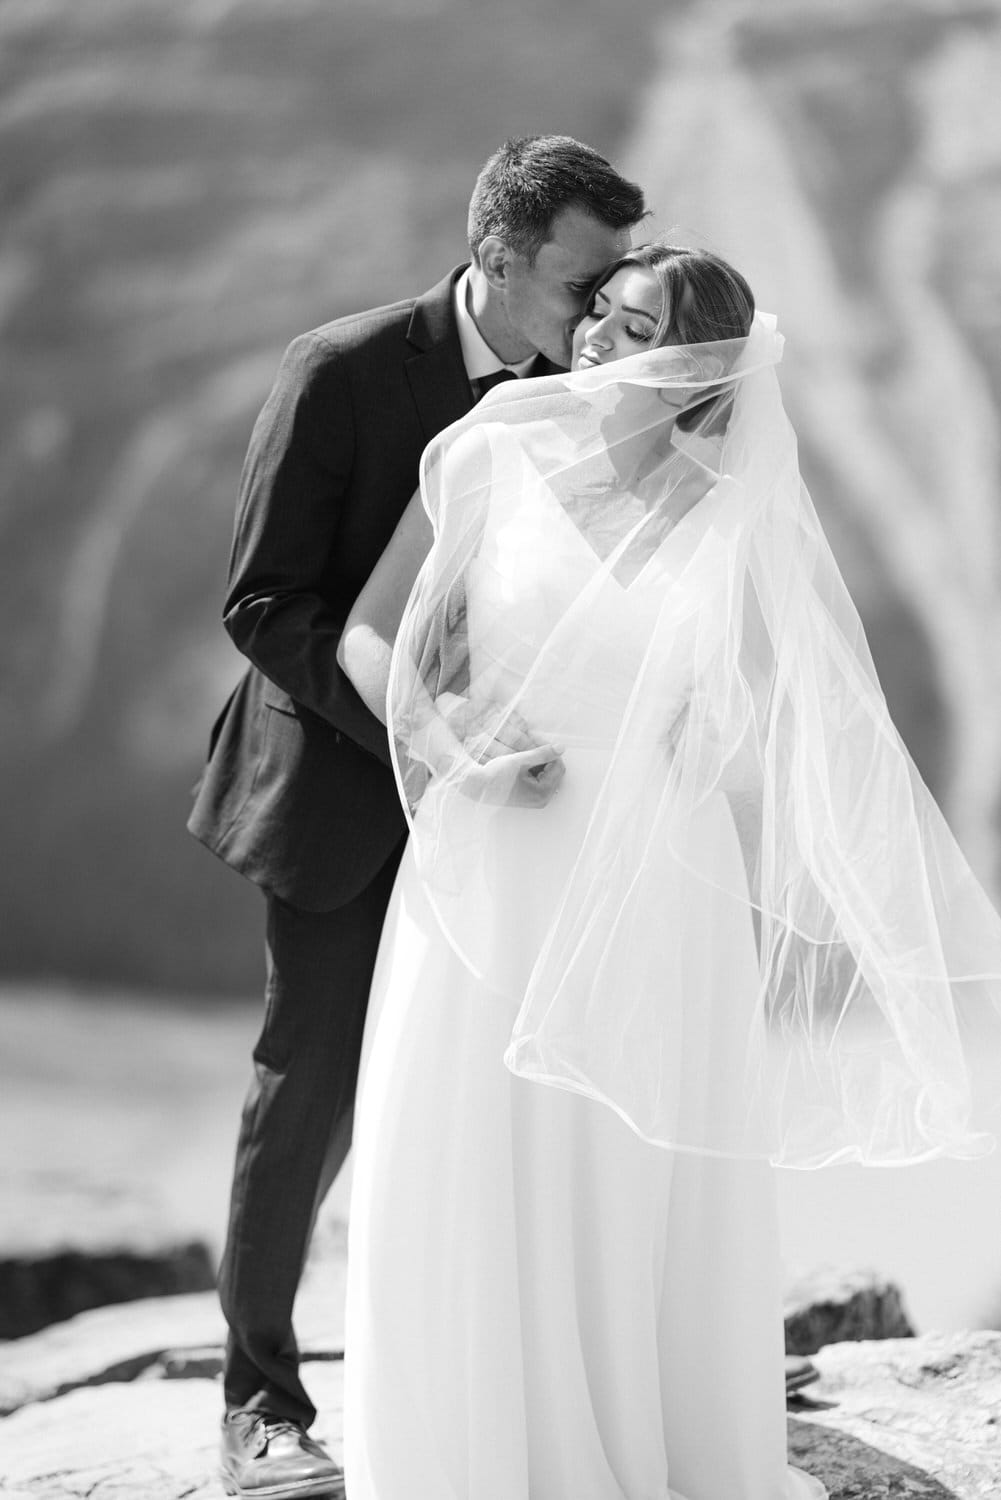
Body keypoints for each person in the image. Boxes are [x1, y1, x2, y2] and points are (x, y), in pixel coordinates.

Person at [337, 242, 1001, 1499]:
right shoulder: (488, 450)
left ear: (692, 369)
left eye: (629, 326)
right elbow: (375, 633)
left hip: (659, 876)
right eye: (597, 308)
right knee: (470, 1153)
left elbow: (780, 710)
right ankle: (468, 1449)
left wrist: (710, 739)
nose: (589, 336)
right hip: (495, 860)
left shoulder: (730, 505)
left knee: (626, 1178)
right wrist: (446, 747)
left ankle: (634, 1436)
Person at [187, 136, 646, 1498]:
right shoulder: (338, 371)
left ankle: (542, 1381)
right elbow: (263, 604)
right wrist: (423, 744)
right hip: (340, 794)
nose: (606, 301)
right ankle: (255, 1406)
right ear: (496, 258)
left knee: (505, 1103)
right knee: (310, 1096)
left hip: (524, 819)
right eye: (583, 277)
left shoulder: (589, 379)